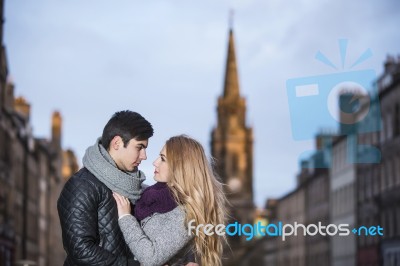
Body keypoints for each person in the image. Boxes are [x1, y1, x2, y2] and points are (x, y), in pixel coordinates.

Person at [57, 110, 154, 266]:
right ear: (116, 143)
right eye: (139, 147)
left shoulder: (136, 189)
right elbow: (81, 251)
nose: (144, 156)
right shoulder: (82, 185)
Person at [113, 135, 227, 266]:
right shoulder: (149, 194)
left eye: (163, 159)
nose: (155, 162)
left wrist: (126, 217)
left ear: (180, 168)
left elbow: (150, 258)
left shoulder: (186, 214)